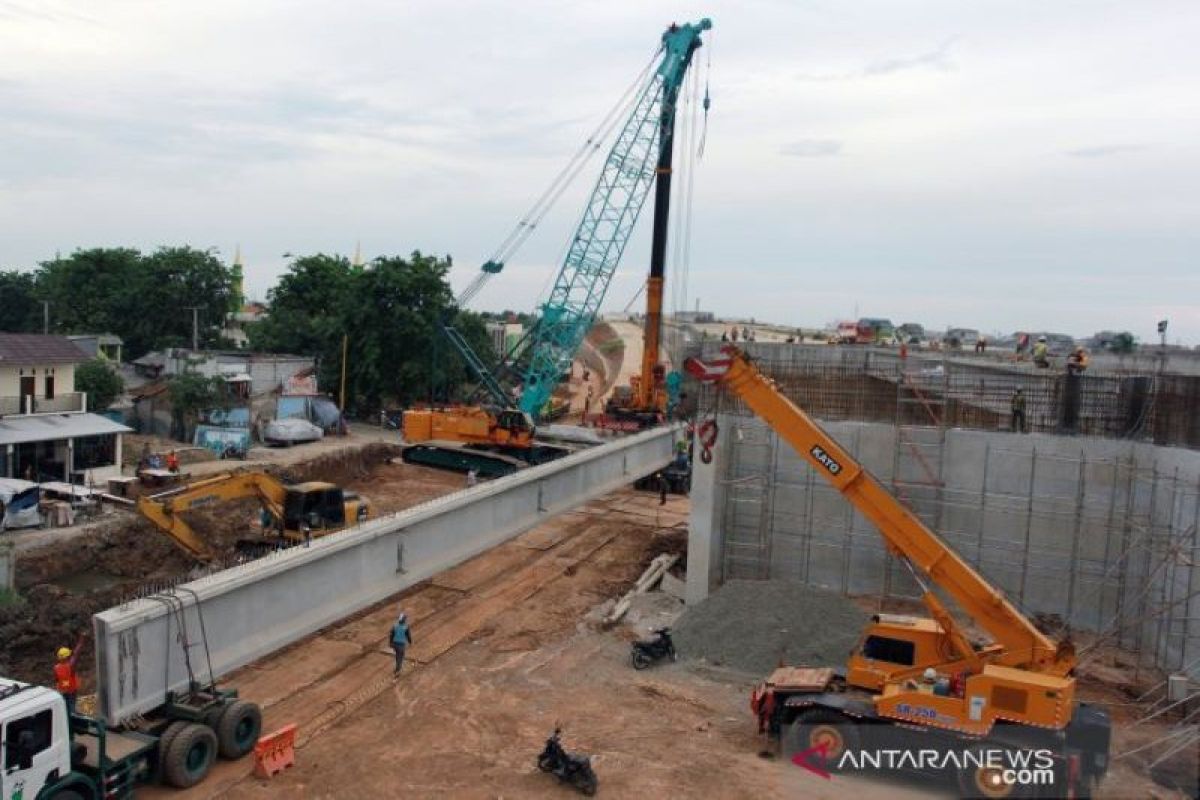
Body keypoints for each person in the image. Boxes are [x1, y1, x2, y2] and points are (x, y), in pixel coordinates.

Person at [54, 644, 81, 717]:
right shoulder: (70, 666)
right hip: (72, 689)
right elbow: (75, 655)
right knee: (71, 704)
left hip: (63, 690)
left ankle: (69, 714)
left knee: (66, 705)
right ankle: (72, 716)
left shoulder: (56, 667)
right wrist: (81, 642)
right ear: (66, 658)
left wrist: (58, 689)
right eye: (69, 656)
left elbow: (56, 680)